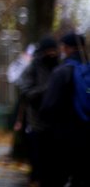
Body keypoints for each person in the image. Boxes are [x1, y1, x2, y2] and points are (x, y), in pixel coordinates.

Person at [40, 32, 90, 187]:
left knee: (59, 178)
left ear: (67, 49)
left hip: (63, 136)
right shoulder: (87, 70)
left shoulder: (61, 72)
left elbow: (48, 106)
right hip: (86, 136)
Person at [16, 36, 59, 185]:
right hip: (38, 123)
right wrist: (47, 89)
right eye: (49, 51)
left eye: (54, 51)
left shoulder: (59, 66)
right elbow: (26, 92)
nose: (52, 54)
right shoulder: (33, 67)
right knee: (39, 161)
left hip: (57, 124)